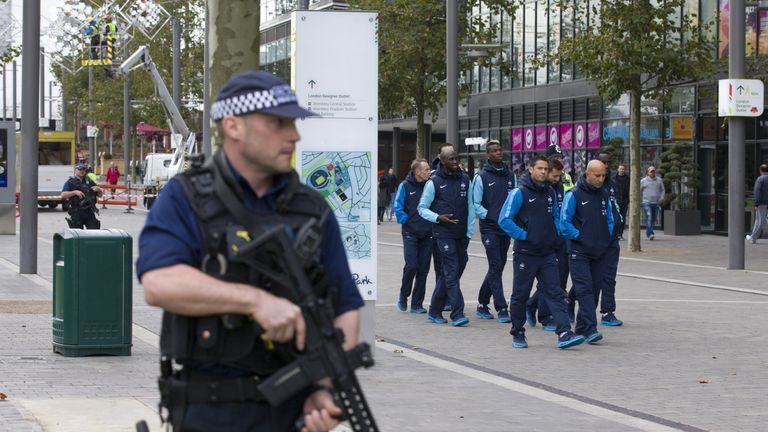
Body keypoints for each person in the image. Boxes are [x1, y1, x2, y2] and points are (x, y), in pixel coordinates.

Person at [136, 71, 364, 432]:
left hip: (290, 415)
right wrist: (256, 302)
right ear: (233, 126)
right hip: (208, 413)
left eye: (294, 122)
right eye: (278, 123)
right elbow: (159, 282)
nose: (294, 135)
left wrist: (324, 388)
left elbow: (344, 305)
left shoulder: (313, 210)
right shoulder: (186, 197)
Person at [498, 155, 585, 349]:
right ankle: (518, 332)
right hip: (525, 254)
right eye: (540, 168)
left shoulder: (550, 193)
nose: (544, 172)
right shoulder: (518, 193)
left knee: (555, 293)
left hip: (547, 253)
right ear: (530, 169)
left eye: (546, 169)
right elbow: (504, 220)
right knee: (520, 295)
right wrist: (523, 235)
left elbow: (555, 216)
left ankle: (564, 333)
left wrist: (555, 236)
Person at [418, 145, 474, 327]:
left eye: (456, 158)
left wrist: (469, 232)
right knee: (450, 271)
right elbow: (422, 208)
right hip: (443, 234)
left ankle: (434, 310)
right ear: (442, 161)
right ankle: (457, 314)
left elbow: (471, 206)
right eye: (451, 159)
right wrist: (437, 218)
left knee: (453, 271)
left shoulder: (466, 179)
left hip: (461, 235)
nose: (455, 162)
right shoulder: (433, 182)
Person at [560, 160, 615, 344]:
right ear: (587, 174)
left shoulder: (604, 194)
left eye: (603, 176)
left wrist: (605, 239)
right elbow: (564, 223)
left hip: (599, 250)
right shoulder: (573, 195)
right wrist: (581, 236)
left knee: (595, 288)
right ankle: (591, 327)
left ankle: (582, 327)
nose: (601, 179)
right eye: (597, 175)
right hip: (579, 251)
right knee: (584, 289)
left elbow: (609, 219)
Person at [472, 140, 514, 323]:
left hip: (505, 229)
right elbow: (476, 204)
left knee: (498, 266)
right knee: (496, 265)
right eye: (494, 151)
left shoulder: (511, 175)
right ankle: (502, 307)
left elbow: (515, 200)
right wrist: (491, 216)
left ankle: (482, 303)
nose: (499, 153)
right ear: (488, 155)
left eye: (500, 150)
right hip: (489, 228)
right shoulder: (481, 177)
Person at [525, 158, 569, 330]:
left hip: (557, 240)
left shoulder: (557, 189)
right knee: (550, 282)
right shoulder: (532, 190)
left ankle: (532, 304)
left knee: (552, 281)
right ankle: (545, 316)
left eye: (559, 176)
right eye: (555, 175)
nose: (557, 179)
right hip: (537, 243)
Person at [393, 159, 432, 314]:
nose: (429, 172)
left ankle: (417, 304)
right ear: (417, 172)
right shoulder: (405, 185)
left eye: (429, 169)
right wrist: (406, 221)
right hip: (410, 233)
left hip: (428, 233)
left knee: (423, 269)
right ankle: (403, 295)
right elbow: (398, 206)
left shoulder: (431, 185)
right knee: (412, 266)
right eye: (426, 169)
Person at [594, 152, 623, 327]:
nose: (605, 165)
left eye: (608, 162)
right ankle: (571, 300)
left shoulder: (612, 184)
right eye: (602, 162)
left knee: (609, 276)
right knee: (592, 278)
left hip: (612, 239)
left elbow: (615, 206)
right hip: (594, 239)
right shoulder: (585, 186)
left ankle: (608, 311)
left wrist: (619, 223)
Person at [61, 163, 102, 229]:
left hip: (89, 211)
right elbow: (63, 195)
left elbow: (100, 195)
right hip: (77, 212)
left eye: (83, 169)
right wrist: (75, 192)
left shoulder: (89, 181)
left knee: (94, 232)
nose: (82, 171)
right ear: (75, 170)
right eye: (79, 169)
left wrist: (99, 190)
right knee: (78, 235)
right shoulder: (70, 182)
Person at [640, 165, 664, 240]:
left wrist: (661, 198)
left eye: (653, 171)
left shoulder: (659, 180)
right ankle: (650, 233)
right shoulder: (643, 181)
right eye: (651, 172)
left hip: (656, 203)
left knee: (653, 219)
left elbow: (662, 190)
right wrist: (641, 200)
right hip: (646, 202)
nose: (652, 173)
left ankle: (648, 232)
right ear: (648, 173)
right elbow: (639, 191)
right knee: (649, 217)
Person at [746, 163, 768, 244]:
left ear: (761, 170)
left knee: (759, 221)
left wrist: (756, 203)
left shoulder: (760, 179)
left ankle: (753, 237)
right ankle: (753, 237)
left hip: (762, 203)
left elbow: (757, 192)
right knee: (760, 220)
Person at [613, 163, 630, 239]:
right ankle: (615, 233)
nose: (621, 170)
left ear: (625, 170)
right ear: (618, 169)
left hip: (624, 200)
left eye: (623, 169)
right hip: (616, 200)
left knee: (623, 217)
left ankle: (620, 234)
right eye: (620, 168)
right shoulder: (613, 179)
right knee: (616, 217)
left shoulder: (628, 179)